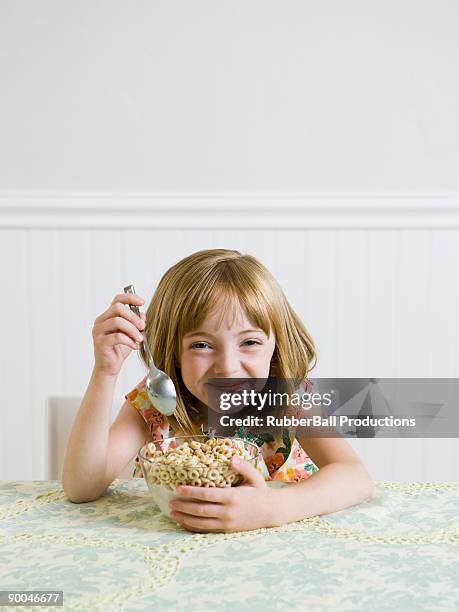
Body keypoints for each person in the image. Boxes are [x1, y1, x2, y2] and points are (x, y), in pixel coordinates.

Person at [62, 249, 374, 533]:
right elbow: (81, 488)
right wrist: (106, 372)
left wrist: (273, 509)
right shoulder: (156, 402)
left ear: (275, 346)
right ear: (173, 353)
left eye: (249, 342)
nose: (227, 366)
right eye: (201, 345)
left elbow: (355, 477)